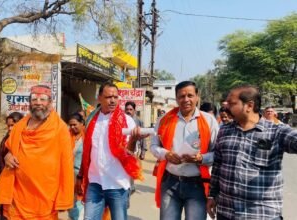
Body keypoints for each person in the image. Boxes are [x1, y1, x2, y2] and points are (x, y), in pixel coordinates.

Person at [207, 85, 297, 220]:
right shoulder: (225, 131)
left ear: (249, 105)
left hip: (261, 214)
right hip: (226, 212)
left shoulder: (277, 132)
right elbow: (218, 166)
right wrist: (212, 195)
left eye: (232, 103)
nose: (226, 108)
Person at [0, 85, 74, 220]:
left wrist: (64, 197)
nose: (38, 103)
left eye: (43, 99)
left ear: (50, 102)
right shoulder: (19, 126)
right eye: (34, 99)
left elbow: (66, 164)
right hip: (19, 192)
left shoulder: (60, 129)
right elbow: (6, 149)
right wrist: (7, 156)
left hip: (46, 193)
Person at [75, 82, 146, 220]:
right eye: (108, 97)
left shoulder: (127, 121)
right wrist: (80, 176)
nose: (113, 100)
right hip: (95, 182)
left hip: (117, 184)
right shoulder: (91, 120)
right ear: (99, 98)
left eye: (115, 97)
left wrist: (134, 140)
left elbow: (130, 153)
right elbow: (87, 152)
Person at [150, 81, 219, 220]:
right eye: (182, 96)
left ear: (197, 97)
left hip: (197, 184)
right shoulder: (165, 119)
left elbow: (218, 153)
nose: (186, 99)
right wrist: (166, 154)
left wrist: (201, 159)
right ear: (176, 98)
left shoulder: (209, 121)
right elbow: (153, 146)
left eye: (190, 95)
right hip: (170, 182)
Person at [0, 111, 24, 219]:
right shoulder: (5, 140)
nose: (10, 128)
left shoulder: (27, 141)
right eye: (8, 125)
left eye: (13, 125)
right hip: (5, 182)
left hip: (21, 186)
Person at [67, 113, 85, 220]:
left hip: (82, 176)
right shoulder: (66, 136)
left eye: (75, 124)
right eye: (70, 125)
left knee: (80, 202)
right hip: (68, 175)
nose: (72, 127)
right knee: (71, 203)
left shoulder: (88, 137)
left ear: (82, 123)